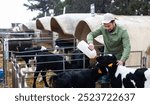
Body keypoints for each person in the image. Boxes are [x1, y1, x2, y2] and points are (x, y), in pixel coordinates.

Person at [87, 13, 131, 88]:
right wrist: (90, 42)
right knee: (104, 78)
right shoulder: (102, 28)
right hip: (106, 59)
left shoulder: (123, 31)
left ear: (113, 22)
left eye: (109, 26)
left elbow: (127, 47)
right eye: (105, 26)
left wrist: (122, 60)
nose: (107, 28)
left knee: (117, 80)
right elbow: (91, 34)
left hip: (118, 59)